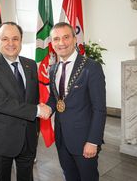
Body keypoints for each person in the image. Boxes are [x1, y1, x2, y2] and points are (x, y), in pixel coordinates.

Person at [0, 22, 51, 181]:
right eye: (5, 39)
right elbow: (1, 103)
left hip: (28, 137)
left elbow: (33, 98)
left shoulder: (30, 64)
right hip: (2, 140)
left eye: (15, 38)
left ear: (21, 40)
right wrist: (38, 111)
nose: (10, 43)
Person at [47, 22, 106, 181]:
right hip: (61, 139)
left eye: (66, 37)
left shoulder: (91, 67)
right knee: (69, 176)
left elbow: (99, 108)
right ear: (52, 44)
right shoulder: (53, 69)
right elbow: (55, 97)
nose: (61, 43)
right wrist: (46, 108)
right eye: (56, 39)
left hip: (84, 139)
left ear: (74, 39)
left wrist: (93, 141)